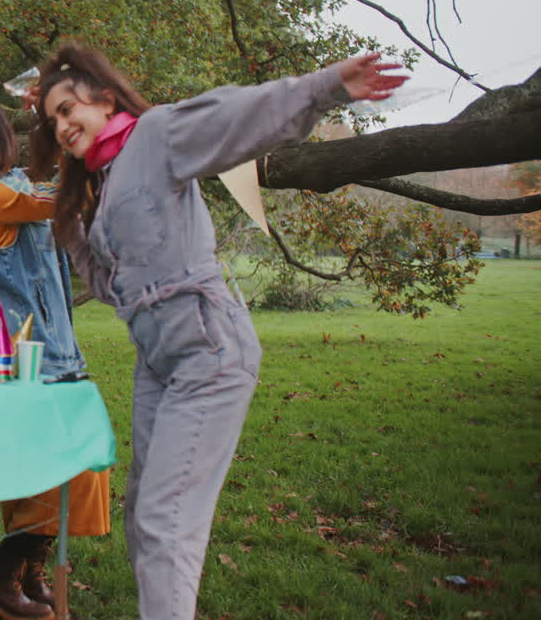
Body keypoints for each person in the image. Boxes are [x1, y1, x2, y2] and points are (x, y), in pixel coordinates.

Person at [29, 43, 407, 619]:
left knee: (164, 522)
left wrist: (329, 85)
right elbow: (112, 290)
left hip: (208, 349)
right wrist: (72, 224)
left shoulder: (155, 136)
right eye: (51, 118)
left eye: (67, 109)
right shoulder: (103, 182)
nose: (59, 127)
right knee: (142, 520)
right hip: (159, 362)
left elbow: (240, 115)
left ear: (105, 99)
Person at [0, 85, 110, 620]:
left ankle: (27, 583)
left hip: (48, 349)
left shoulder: (12, 186)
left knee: (42, 469)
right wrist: (75, 124)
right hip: (24, 356)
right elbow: (67, 196)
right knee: (78, 461)